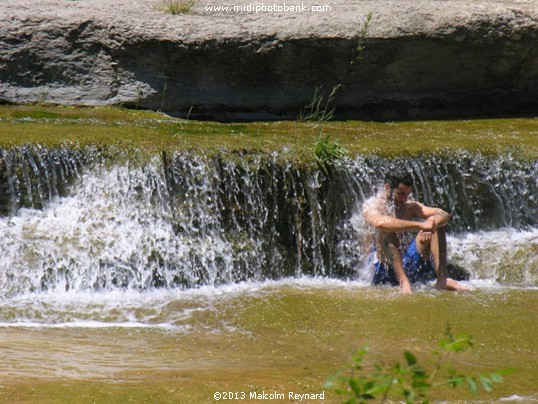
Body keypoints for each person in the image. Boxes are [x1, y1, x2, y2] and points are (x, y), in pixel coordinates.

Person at [362, 169, 469, 294]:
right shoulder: (373, 205)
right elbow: (379, 223)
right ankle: (403, 281)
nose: (405, 198)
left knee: (435, 222)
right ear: (388, 188)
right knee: (388, 229)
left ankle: (443, 279)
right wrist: (420, 225)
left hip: (408, 262)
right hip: (383, 269)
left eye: (407, 194)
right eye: (401, 193)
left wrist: (431, 225)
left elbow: (443, 214)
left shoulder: (409, 206)